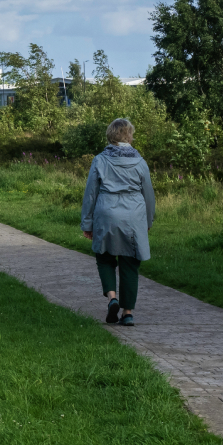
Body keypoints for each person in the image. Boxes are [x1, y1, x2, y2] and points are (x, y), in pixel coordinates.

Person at [80, 118, 155, 326]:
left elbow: (91, 194)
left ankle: (112, 298)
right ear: (128, 135)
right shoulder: (140, 162)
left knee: (104, 257)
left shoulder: (100, 160)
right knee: (130, 263)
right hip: (133, 215)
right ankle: (128, 312)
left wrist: (87, 223)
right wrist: (148, 220)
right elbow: (148, 194)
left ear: (111, 136)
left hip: (106, 214)